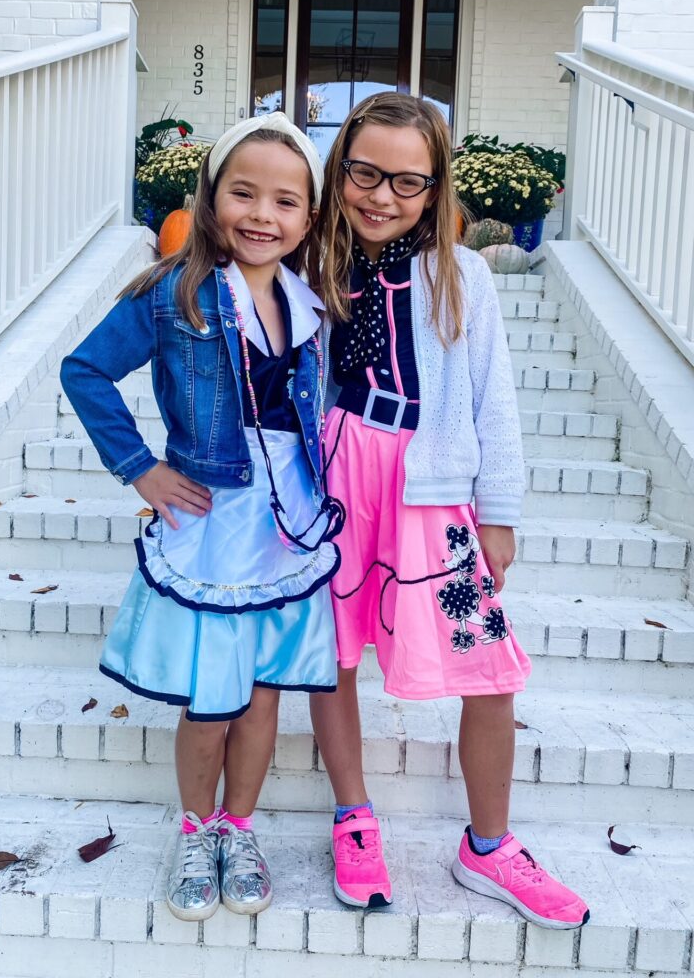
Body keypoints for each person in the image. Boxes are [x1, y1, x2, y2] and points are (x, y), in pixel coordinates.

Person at [308, 93, 589, 930]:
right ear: (340, 170)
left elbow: (491, 398)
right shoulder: (309, 260)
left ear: (435, 190)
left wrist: (497, 509)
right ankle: (354, 818)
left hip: (429, 484)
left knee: (489, 666)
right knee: (335, 651)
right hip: (333, 475)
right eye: (364, 173)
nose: (381, 196)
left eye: (406, 181)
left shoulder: (462, 274)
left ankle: (490, 846)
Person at [60, 112, 343, 923]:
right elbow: (84, 372)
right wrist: (140, 469)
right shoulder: (171, 292)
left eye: (287, 202)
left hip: (288, 526)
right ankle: (194, 829)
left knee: (262, 696)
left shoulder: (312, 304)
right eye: (244, 193)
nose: (263, 215)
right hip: (212, 521)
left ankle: (239, 828)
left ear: (309, 217)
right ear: (210, 197)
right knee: (209, 701)